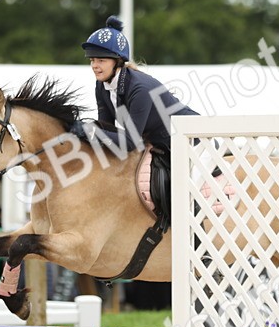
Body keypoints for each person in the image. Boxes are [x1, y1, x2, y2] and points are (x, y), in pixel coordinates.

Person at [71, 15, 199, 229]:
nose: (94, 65)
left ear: (117, 61)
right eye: (92, 60)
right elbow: (106, 129)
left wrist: (89, 131)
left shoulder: (139, 88)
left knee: (187, 195)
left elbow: (130, 142)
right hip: (160, 146)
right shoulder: (102, 86)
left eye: (101, 60)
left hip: (192, 142)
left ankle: (196, 238)